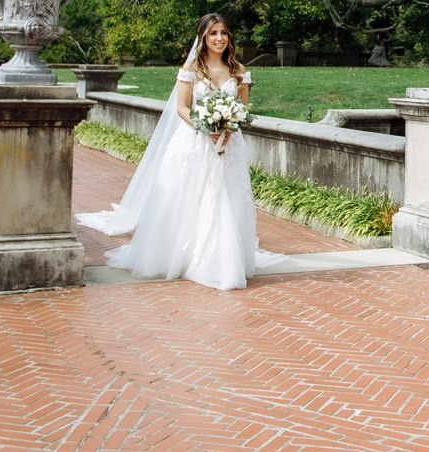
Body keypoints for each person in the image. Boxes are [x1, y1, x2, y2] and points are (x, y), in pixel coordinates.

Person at [78, 14, 280, 290]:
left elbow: (243, 108)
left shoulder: (238, 70)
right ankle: (189, 255)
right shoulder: (192, 69)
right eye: (213, 33)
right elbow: (182, 108)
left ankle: (223, 259)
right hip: (195, 142)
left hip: (229, 145)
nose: (219, 38)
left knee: (228, 196)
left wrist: (230, 127)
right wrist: (203, 126)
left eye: (223, 33)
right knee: (193, 196)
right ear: (203, 38)